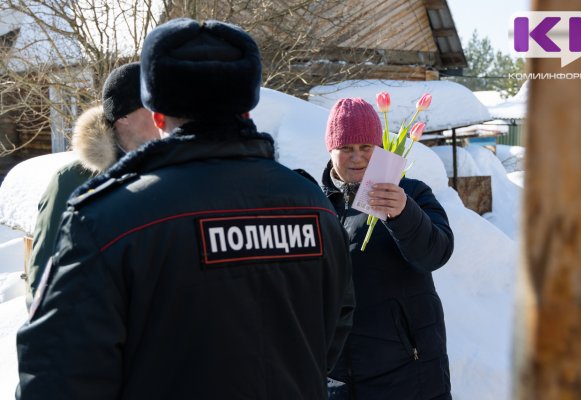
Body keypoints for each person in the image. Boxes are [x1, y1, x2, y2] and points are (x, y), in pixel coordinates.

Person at [17, 18, 354, 400]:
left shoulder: (107, 218)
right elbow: (332, 330)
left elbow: (58, 375)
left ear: (158, 116)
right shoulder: (314, 207)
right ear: (246, 108)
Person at [322, 98, 454, 400]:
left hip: (407, 372)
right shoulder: (316, 205)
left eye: (366, 147)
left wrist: (404, 214)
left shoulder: (411, 193)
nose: (357, 158)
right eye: (346, 148)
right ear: (330, 149)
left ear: (380, 147)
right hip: (338, 377)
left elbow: (436, 253)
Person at [25, 62, 159, 309]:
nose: (162, 115)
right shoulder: (72, 180)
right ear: (124, 116)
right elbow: (46, 272)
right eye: (152, 107)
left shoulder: (168, 170)